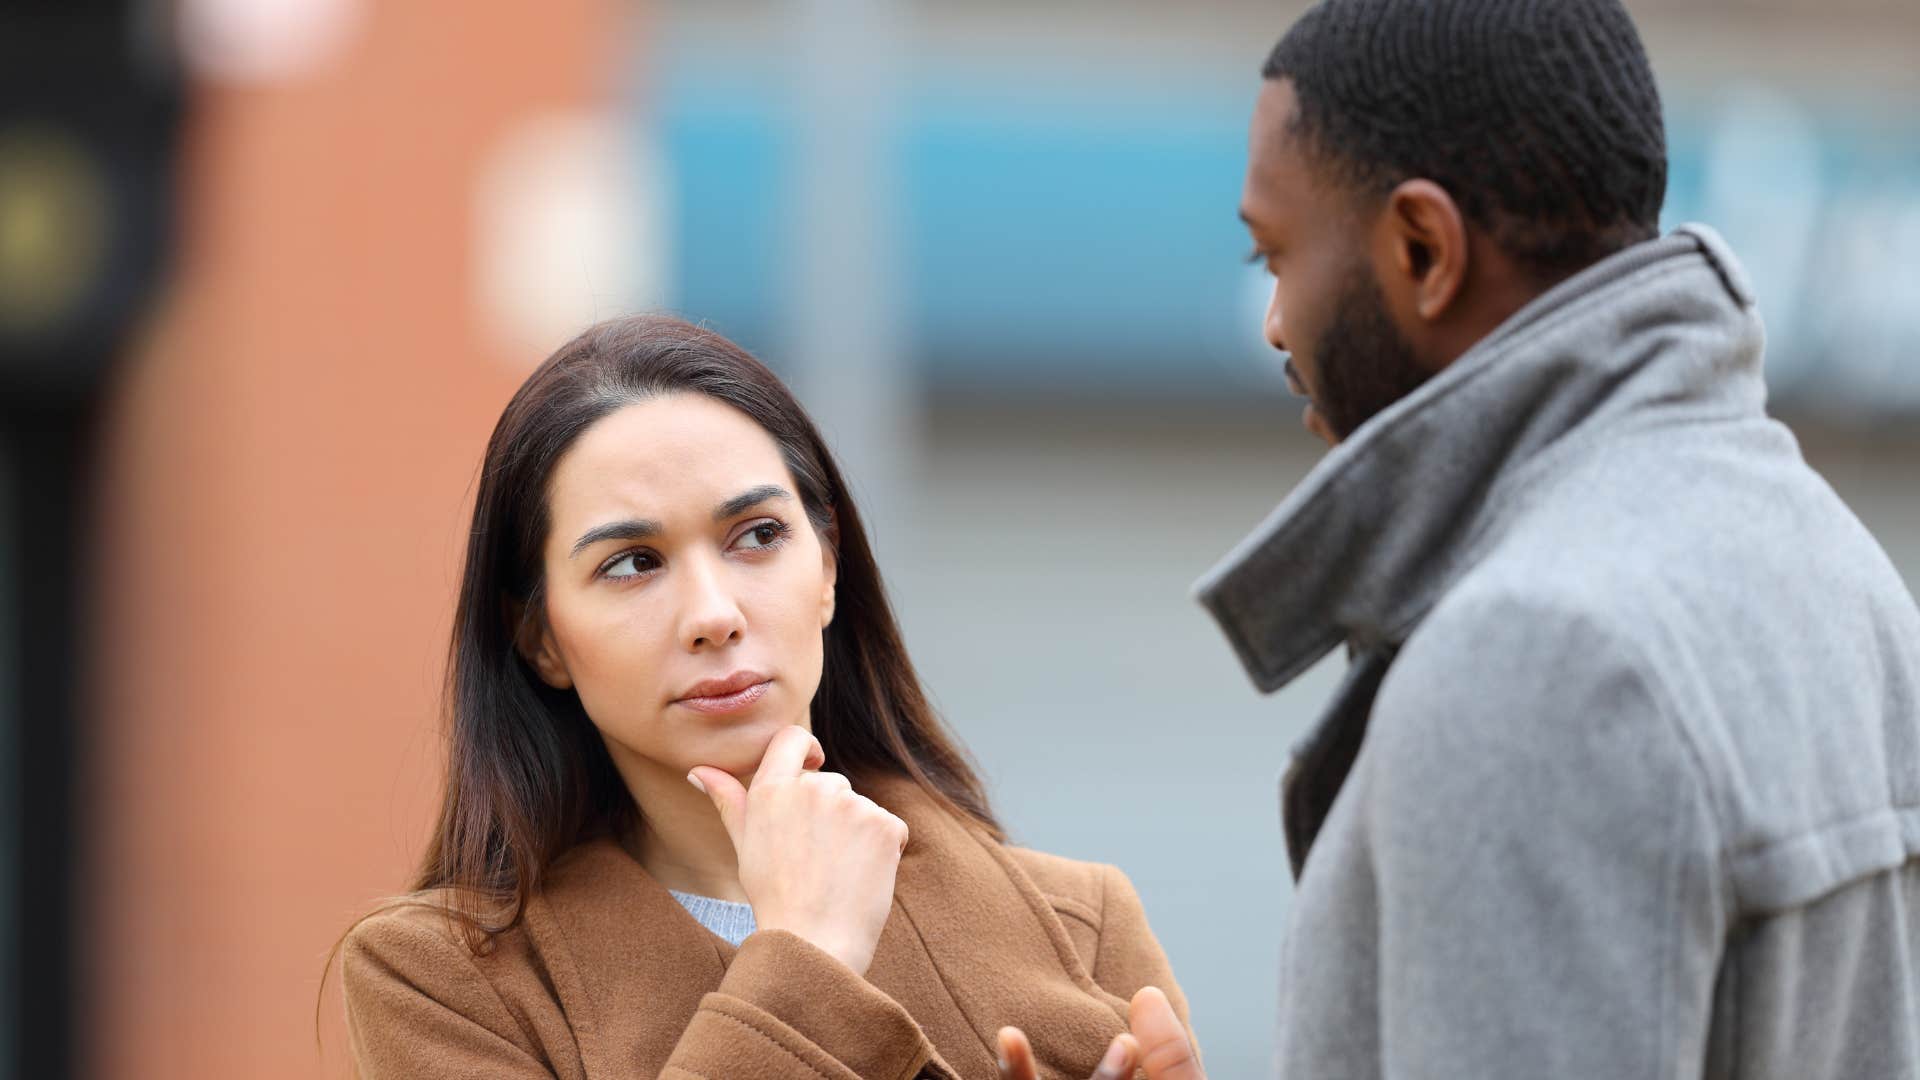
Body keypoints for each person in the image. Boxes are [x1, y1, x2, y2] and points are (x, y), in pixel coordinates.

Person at [1001, 0, 1920, 1077]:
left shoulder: (1536, 655)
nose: (1275, 324)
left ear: (1422, 249)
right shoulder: (1834, 561)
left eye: (1275, 258)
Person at [338, 315, 1192, 1079]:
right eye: (632, 563)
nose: (713, 614)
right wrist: (802, 961)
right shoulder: (440, 979)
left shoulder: (1079, 922)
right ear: (544, 640)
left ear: (827, 567)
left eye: (757, 536)